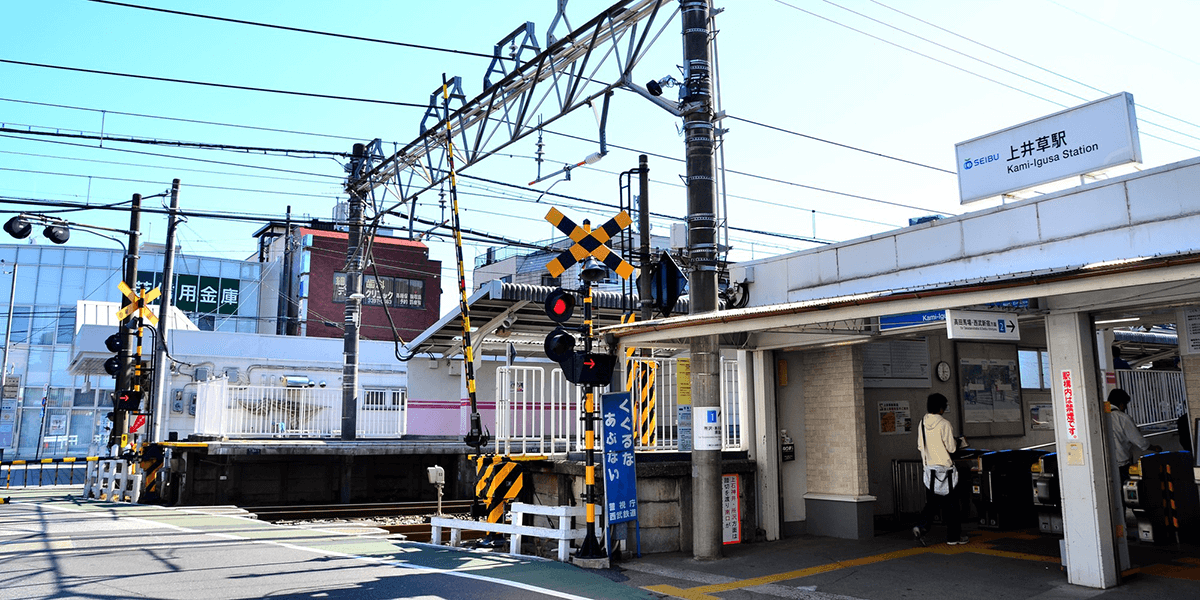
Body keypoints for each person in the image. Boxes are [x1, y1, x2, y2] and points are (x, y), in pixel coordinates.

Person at [913, 393, 969, 546]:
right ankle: (953, 537)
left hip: (930, 470)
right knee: (952, 506)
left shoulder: (922, 423)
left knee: (932, 503)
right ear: (941, 407)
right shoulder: (945, 424)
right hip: (946, 471)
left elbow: (920, 446)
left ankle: (921, 526)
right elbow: (951, 448)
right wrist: (959, 442)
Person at [1108, 388, 1161, 480]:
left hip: (1105, 464)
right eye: (1125, 404)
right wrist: (1153, 448)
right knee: (1125, 485)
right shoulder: (1123, 418)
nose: (1125, 408)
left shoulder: (1101, 416)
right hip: (1121, 464)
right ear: (1121, 404)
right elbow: (1138, 440)